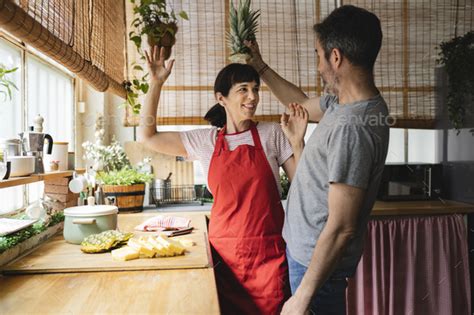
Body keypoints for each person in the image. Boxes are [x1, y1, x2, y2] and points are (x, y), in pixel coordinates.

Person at [138, 46, 308, 314]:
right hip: (224, 260)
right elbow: (148, 136)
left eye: (255, 89)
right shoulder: (205, 141)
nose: (252, 97)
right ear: (222, 98)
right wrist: (155, 83)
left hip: (269, 257)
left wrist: (298, 143)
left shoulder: (272, 134)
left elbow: (304, 186)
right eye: (243, 89)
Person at [246, 5, 390, 315]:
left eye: (318, 55)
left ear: (335, 57)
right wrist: (260, 67)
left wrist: (301, 299)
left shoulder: (353, 127)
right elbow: (298, 105)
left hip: (317, 270)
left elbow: (342, 228)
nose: (318, 66)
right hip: (305, 257)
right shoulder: (344, 103)